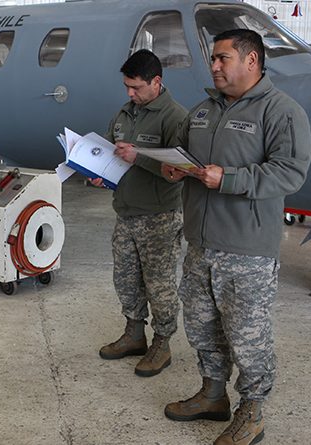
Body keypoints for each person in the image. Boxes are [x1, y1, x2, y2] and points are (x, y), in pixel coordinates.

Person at [161, 29, 311, 445]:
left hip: (247, 250)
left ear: (251, 61)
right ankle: (212, 395)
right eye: (214, 58)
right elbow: (181, 153)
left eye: (222, 58)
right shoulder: (202, 110)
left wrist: (228, 179)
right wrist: (171, 168)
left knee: (247, 335)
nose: (213, 66)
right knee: (202, 326)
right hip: (200, 243)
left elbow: (290, 171)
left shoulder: (281, 111)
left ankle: (253, 411)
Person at [93, 49, 186, 378]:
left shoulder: (174, 117)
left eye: (135, 87)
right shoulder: (125, 113)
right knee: (126, 279)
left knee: (159, 284)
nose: (130, 93)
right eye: (126, 87)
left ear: (156, 82)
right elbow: (109, 146)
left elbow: (180, 169)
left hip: (159, 216)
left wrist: (140, 158)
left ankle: (162, 343)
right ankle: (134, 334)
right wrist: (97, 169)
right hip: (126, 212)